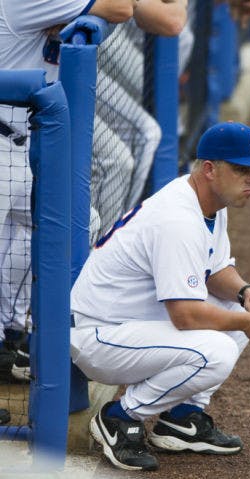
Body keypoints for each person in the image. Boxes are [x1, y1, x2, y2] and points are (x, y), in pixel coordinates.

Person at [69, 121, 250, 472]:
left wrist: (247, 295)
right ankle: (119, 418)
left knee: (235, 307)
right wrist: (246, 321)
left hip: (133, 324)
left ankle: (182, 419)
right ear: (211, 170)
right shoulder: (177, 219)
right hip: (99, 336)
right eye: (243, 169)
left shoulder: (209, 201)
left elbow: (214, 270)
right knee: (218, 350)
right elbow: (185, 316)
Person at [0, 0, 135, 400]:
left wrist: (69, 17)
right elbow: (122, 6)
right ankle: (13, 329)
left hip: (21, 144)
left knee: (79, 224)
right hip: (4, 138)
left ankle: (13, 329)